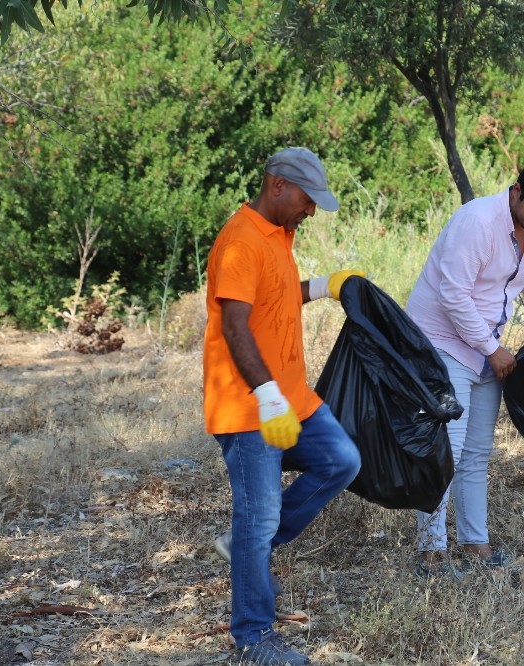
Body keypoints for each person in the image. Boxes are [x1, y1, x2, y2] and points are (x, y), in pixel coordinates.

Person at [202, 146, 363, 665]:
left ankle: (248, 544)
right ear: (277, 185)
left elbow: (274, 296)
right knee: (258, 516)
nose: (311, 210)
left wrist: (323, 286)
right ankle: (253, 636)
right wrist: (267, 396)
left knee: (342, 460)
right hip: (251, 406)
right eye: (306, 199)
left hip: (293, 396)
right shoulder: (240, 242)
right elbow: (234, 324)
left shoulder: (279, 236)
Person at [406, 153, 524, 577]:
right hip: (441, 343)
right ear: (516, 191)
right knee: (446, 451)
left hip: (486, 347)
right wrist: (493, 348)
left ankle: (475, 544)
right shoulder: (476, 222)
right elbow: (454, 295)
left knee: (476, 453)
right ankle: (430, 553)